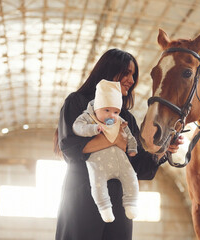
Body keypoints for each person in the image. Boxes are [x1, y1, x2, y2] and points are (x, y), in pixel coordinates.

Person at [54, 48, 183, 240]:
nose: (132, 80)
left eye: (133, 75)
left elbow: (140, 166)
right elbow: (70, 149)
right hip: (82, 196)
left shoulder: (126, 118)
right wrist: (114, 140)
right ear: (108, 70)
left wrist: (162, 150)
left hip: (119, 202)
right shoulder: (77, 102)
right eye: (127, 72)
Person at [72, 80, 139, 223]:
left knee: (131, 177)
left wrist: (132, 148)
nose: (111, 116)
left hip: (120, 161)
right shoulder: (89, 118)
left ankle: (131, 202)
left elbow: (131, 138)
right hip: (98, 163)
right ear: (96, 108)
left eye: (115, 112)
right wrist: (93, 129)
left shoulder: (120, 121)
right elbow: (77, 127)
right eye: (107, 110)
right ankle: (104, 208)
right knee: (97, 184)